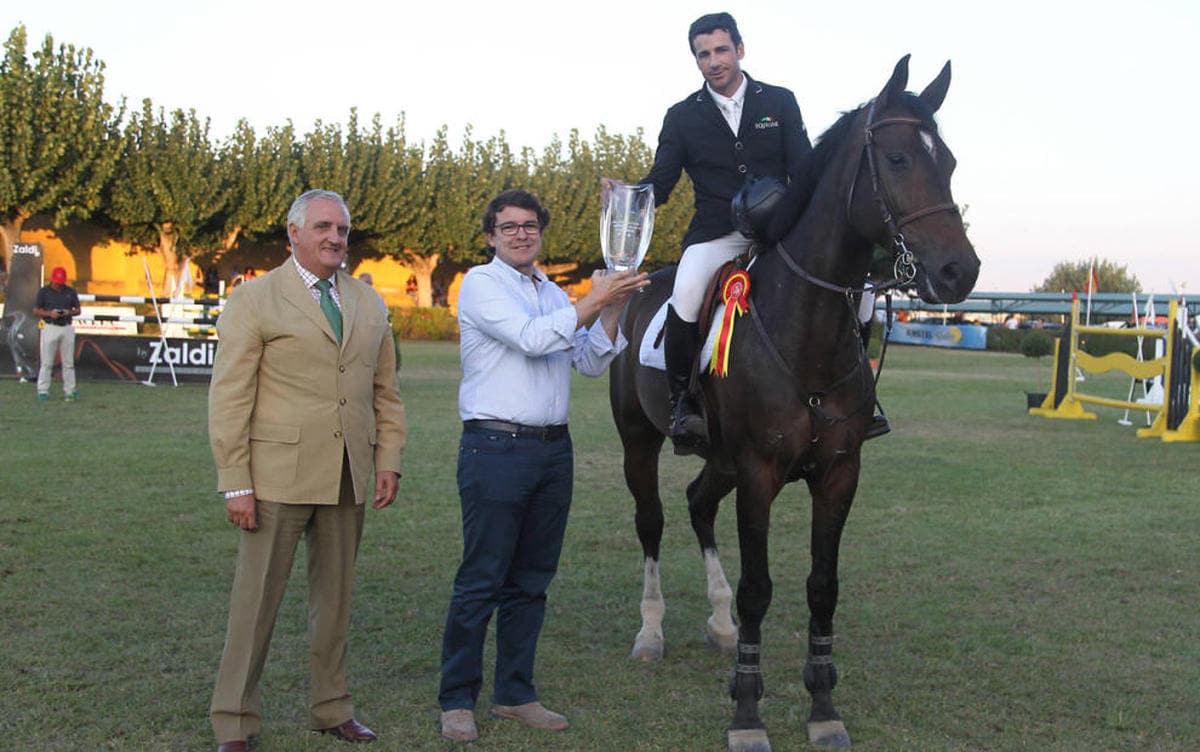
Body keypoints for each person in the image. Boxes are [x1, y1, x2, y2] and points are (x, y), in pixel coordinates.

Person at [437, 189, 647, 743]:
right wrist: (594, 299)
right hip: (496, 448)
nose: (521, 234)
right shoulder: (482, 285)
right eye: (508, 227)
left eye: (529, 226)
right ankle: (457, 699)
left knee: (531, 582)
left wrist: (613, 308)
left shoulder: (552, 291)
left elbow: (586, 361)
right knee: (481, 579)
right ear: (490, 236)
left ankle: (515, 694)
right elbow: (533, 341)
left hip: (553, 451)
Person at [207, 189, 407, 752]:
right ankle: (234, 722)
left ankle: (332, 708)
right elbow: (229, 398)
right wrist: (236, 482)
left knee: (336, 604)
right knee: (255, 608)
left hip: (348, 477)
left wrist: (388, 458)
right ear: (293, 233)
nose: (334, 238)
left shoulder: (368, 303)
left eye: (341, 229)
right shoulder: (255, 300)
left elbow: (385, 391)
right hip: (274, 480)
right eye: (322, 227)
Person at [634, 11, 812, 452]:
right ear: (696, 60)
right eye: (703, 55)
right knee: (688, 291)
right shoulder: (680, 117)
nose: (713, 61)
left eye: (720, 50)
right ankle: (682, 404)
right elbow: (663, 180)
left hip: (781, 230)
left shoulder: (780, 102)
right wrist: (628, 196)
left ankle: (860, 398)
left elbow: (805, 170)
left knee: (856, 288)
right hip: (717, 234)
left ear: (739, 50)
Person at [32, 266, 81, 402]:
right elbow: (36, 310)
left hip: (66, 326)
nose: (58, 285)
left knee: (68, 362)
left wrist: (67, 312)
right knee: (47, 362)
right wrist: (49, 313)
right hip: (50, 327)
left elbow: (78, 310)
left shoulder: (70, 292)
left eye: (60, 282)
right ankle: (43, 390)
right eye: (56, 282)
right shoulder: (44, 292)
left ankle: (70, 390)